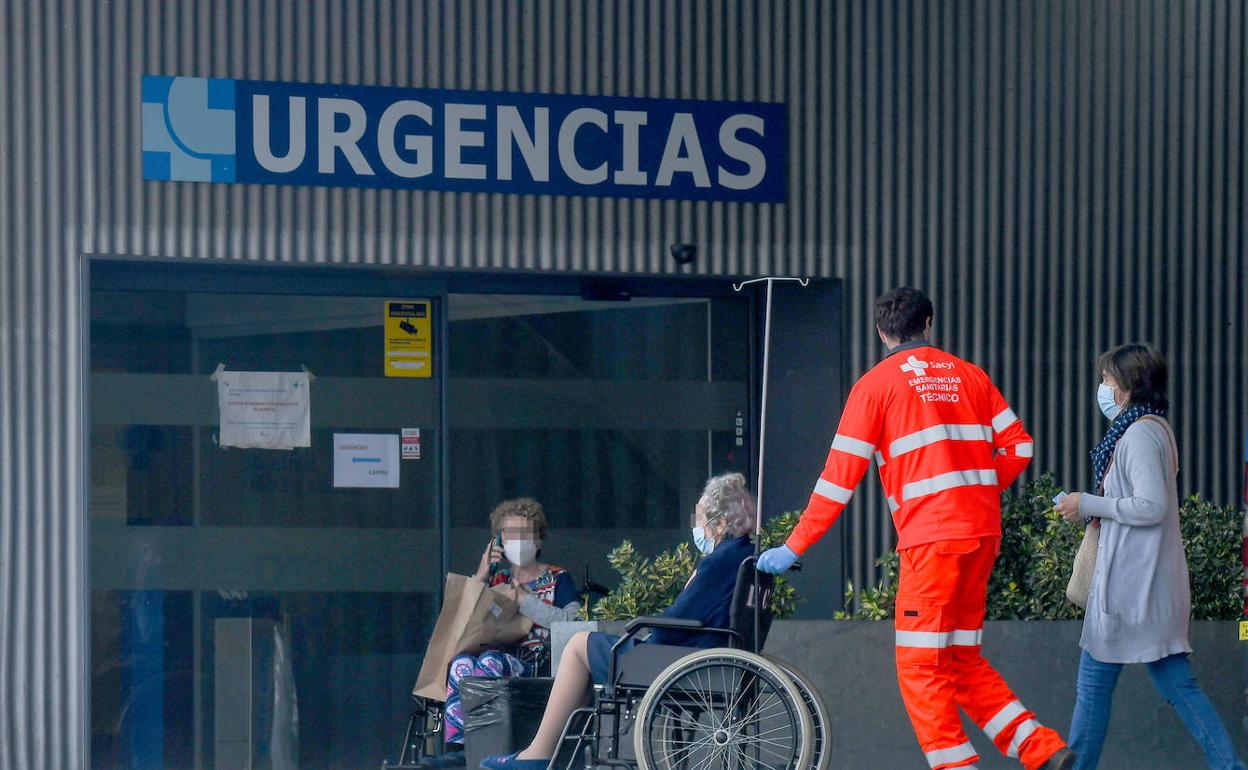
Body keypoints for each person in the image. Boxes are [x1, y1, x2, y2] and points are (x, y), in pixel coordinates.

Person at [758, 287, 1075, 770]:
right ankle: (1043, 750)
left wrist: (794, 544)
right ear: (928, 323)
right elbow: (1019, 448)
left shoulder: (875, 386)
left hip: (932, 542)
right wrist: (980, 490)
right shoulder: (970, 376)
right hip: (980, 535)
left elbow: (838, 479)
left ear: (881, 332)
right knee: (960, 661)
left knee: (919, 666)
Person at [478, 473, 758, 770]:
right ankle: (546, 754)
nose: (696, 528)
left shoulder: (717, 563)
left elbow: (675, 622)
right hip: (709, 660)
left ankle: (537, 755)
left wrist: (651, 624)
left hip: (684, 663)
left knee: (577, 645)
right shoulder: (741, 556)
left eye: (700, 519)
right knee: (583, 651)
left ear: (722, 523)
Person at [1054, 344, 1246, 770]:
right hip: (1144, 587)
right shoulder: (1153, 428)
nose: (1102, 387)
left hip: (1131, 590)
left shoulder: (1138, 433)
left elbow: (1151, 506)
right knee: (1173, 685)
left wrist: (1088, 503)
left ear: (1126, 386)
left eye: (1107, 380)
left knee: (1098, 688)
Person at [435, 498, 580, 768]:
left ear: (539, 538)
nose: (518, 541)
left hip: (536, 664)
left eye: (525, 534)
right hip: (491, 654)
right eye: (510, 534)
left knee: (491, 661)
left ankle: (488, 744)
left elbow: (571, 623)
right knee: (461, 663)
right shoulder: (496, 580)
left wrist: (525, 600)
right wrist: (481, 575)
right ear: (498, 540)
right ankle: (462, 748)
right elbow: (458, 624)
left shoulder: (559, 579)